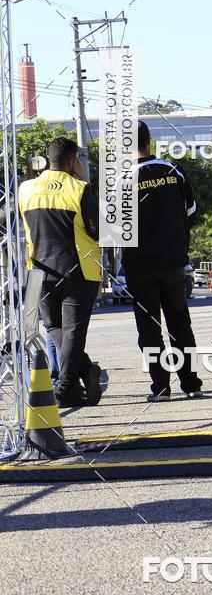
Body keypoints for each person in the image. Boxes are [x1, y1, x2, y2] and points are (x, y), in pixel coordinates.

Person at [18, 137, 103, 408]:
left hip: (39, 270)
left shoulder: (25, 189)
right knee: (74, 331)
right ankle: (68, 386)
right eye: (77, 160)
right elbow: (98, 230)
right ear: (70, 161)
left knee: (54, 326)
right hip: (79, 269)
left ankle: (83, 372)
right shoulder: (78, 189)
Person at [123, 122, 203, 402]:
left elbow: (112, 229)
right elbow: (192, 212)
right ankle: (191, 383)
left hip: (139, 265)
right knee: (180, 322)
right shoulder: (174, 171)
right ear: (150, 140)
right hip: (173, 261)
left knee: (149, 328)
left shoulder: (120, 179)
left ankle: (160, 388)